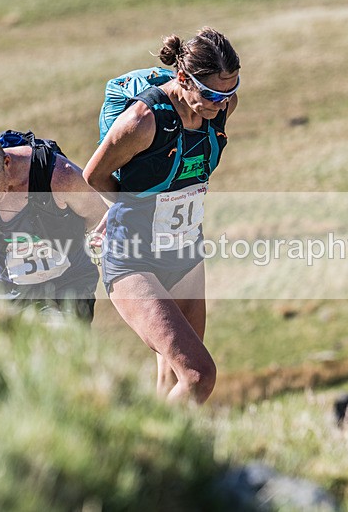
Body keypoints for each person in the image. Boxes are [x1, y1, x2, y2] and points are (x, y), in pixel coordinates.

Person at [83, 27, 240, 403]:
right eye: (212, 94)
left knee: (173, 379)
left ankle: (163, 450)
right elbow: (94, 175)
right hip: (133, 258)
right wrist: (126, 208)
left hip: (185, 253)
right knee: (198, 375)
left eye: (230, 92)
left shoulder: (221, 109)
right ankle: (144, 453)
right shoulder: (143, 122)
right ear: (183, 78)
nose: (221, 104)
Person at [0, 130, 106, 322]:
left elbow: (98, 217)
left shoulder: (60, 177)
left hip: (68, 281)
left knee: (60, 345)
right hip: (3, 286)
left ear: (6, 163)